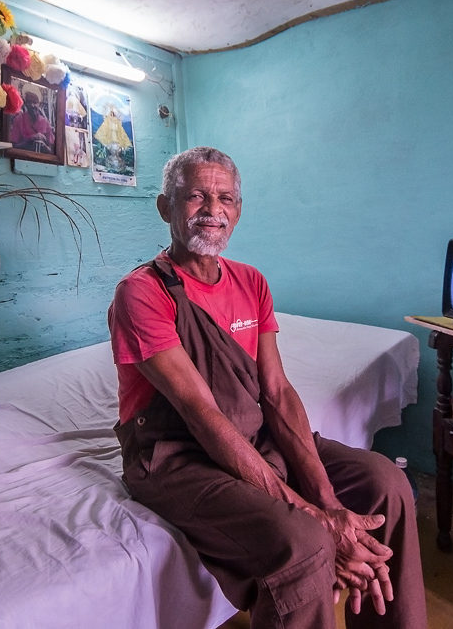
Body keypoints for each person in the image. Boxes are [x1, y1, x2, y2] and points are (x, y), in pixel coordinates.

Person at [108, 146, 427, 629]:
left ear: (238, 210)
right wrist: (312, 514)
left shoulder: (251, 282)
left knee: (387, 483)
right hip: (175, 454)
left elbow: (276, 393)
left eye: (226, 198)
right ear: (165, 207)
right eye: (196, 196)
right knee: (302, 541)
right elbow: (202, 414)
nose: (213, 211)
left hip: (253, 436)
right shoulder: (142, 293)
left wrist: (331, 501)